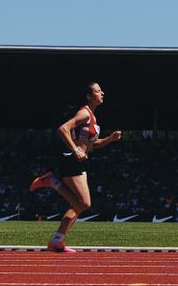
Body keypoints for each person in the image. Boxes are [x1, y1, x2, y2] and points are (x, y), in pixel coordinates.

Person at [29, 82, 122, 252]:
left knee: (78, 205)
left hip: (80, 161)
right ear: (88, 96)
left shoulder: (92, 117)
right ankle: (53, 183)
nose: (102, 93)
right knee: (84, 203)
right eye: (98, 90)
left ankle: (57, 240)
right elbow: (63, 129)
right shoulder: (84, 113)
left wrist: (110, 139)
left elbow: (92, 146)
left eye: (101, 90)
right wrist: (75, 150)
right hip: (72, 160)